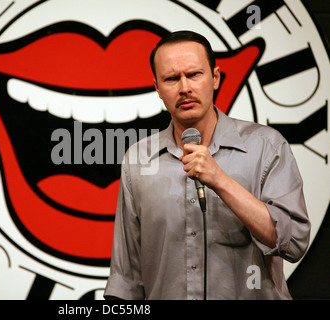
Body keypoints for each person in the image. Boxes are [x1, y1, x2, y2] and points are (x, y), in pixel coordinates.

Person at [103, 30, 311, 300]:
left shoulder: (266, 146)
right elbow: (125, 278)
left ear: (215, 78)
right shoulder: (138, 159)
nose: (185, 88)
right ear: (157, 89)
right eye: (171, 79)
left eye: (194, 74)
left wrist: (220, 180)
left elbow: (293, 242)